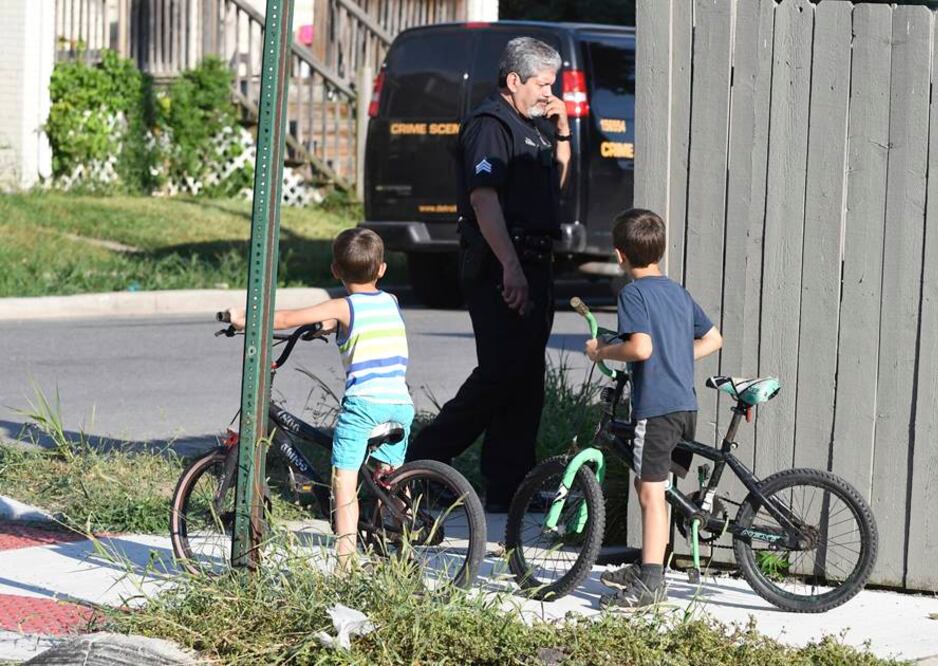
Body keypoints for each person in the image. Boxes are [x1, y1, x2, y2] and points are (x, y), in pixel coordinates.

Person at [405, 37, 572, 513]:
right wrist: (511, 269)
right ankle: (422, 463)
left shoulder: (532, 127)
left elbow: (553, 188)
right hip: (502, 266)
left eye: (553, 84)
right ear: (514, 80)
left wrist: (562, 131)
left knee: (526, 381)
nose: (550, 93)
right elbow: (483, 200)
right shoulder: (490, 126)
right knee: (498, 376)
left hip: (534, 264)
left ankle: (510, 488)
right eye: (543, 84)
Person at [226, 227, 414, 568]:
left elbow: (285, 318)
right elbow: (360, 317)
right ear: (382, 269)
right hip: (400, 403)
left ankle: (344, 564)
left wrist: (243, 319)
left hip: (365, 405)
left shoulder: (342, 306)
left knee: (344, 480)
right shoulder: (391, 300)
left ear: (335, 270)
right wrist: (331, 324)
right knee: (391, 475)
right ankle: (406, 537)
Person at [585, 208, 724, 609]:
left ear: (619, 255)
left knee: (650, 493)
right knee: (652, 488)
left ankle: (649, 585)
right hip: (685, 407)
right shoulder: (678, 292)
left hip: (657, 408)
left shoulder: (633, 294)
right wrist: (676, 356)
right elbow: (714, 338)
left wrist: (602, 351)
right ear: (660, 250)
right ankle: (650, 567)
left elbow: (640, 347)